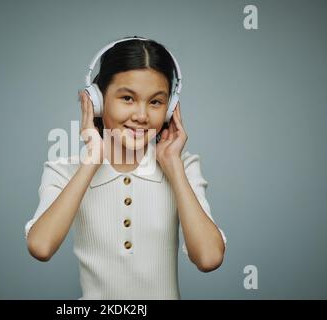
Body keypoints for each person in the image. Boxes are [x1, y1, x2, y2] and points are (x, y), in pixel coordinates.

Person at [25, 36, 227, 299]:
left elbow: (209, 258)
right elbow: (41, 246)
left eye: (155, 102)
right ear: (97, 100)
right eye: (128, 98)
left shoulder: (183, 167)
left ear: (170, 110)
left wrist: (174, 168)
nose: (142, 116)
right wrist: (92, 160)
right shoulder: (64, 169)